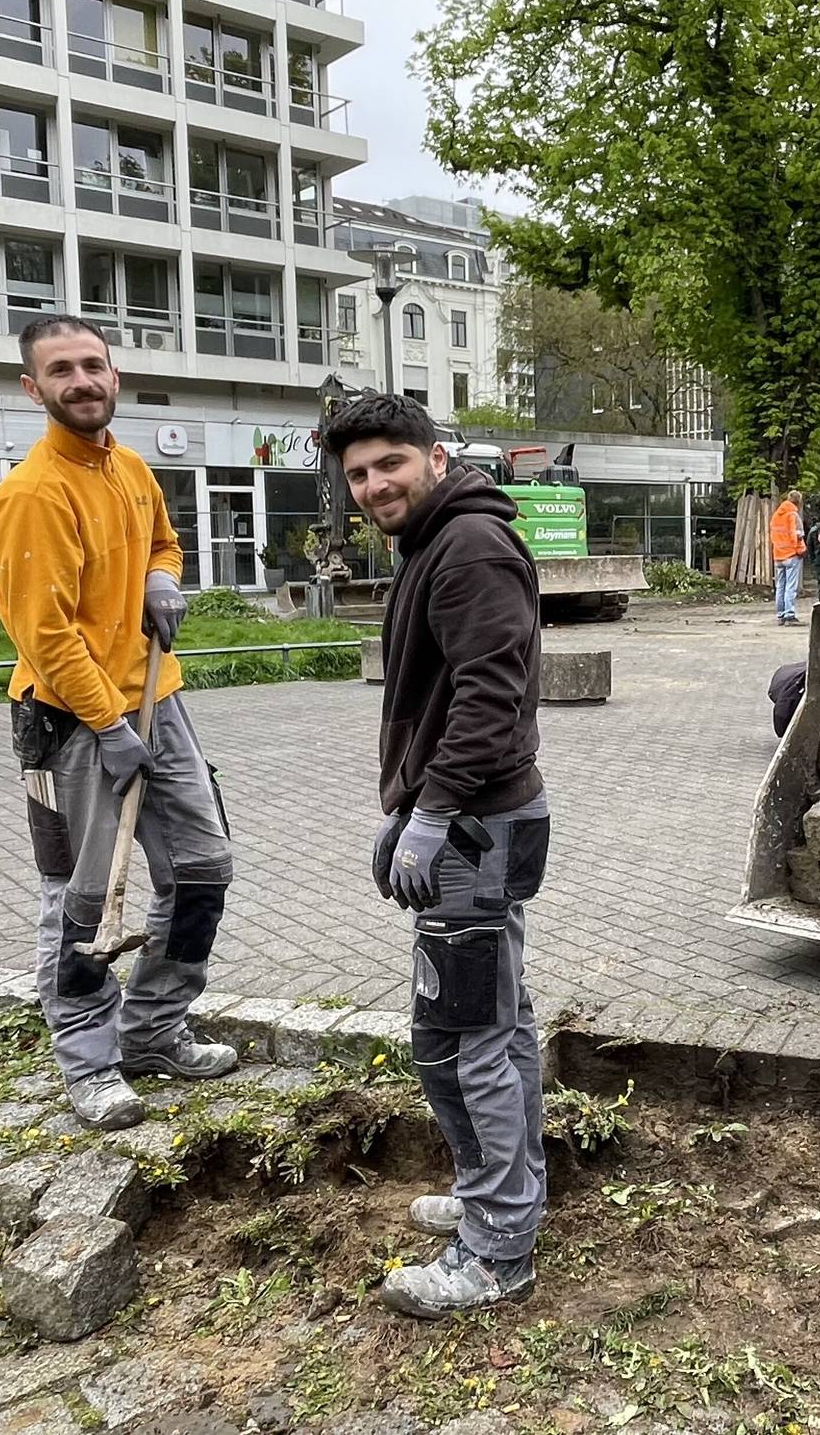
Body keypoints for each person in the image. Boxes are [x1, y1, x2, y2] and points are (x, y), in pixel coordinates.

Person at [324, 392, 552, 1320]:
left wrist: (434, 811)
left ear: (433, 455)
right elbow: (451, 692)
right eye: (358, 474)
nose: (375, 484)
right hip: (466, 819)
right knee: (483, 1022)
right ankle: (501, 1191)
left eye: (389, 464)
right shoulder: (438, 541)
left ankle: (499, 1247)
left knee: (466, 1035)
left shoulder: (468, 549)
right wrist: (409, 802)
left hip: (476, 830)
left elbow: (490, 699)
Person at [0, 315, 237, 1133]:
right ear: (35, 388)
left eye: (93, 364)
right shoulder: (30, 495)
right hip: (69, 724)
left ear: (114, 375)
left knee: (202, 867)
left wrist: (164, 579)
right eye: (62, 370)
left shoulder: (129, 469)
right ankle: (90, 1064)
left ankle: (153, 1029)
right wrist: (108, 722)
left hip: (158, 703)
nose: (83, 380)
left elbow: (164, 542)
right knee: (81, 901)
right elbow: (43, 634)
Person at [770, 488, 805, 625]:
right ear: (798, 502)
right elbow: (795, 534)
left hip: (778, 554)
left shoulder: (776, 515)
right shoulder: (793, 515)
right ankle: (789, 614)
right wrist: (800, 549)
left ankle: (780, 615)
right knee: (791, 586)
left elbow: (773, 535)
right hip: (791, 554)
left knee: (780, 586)